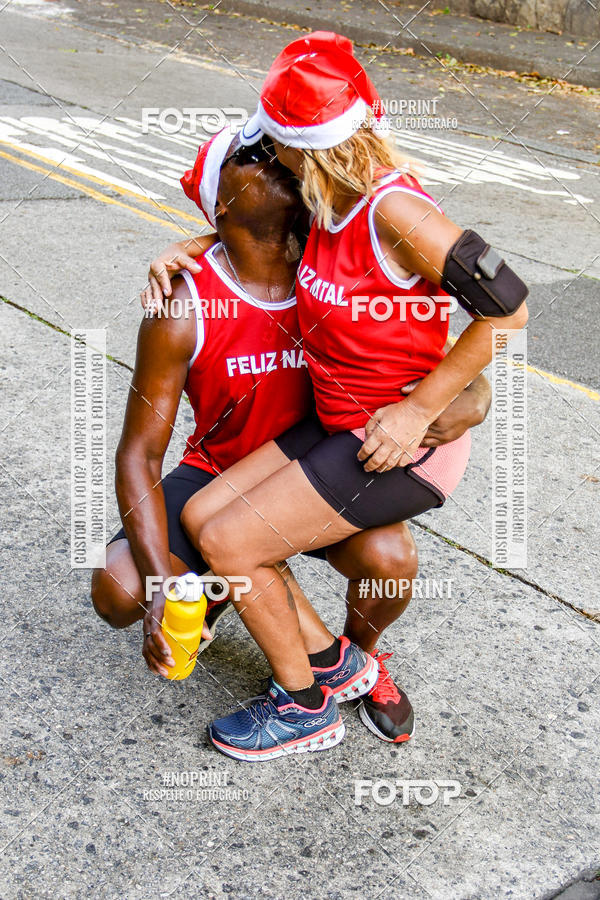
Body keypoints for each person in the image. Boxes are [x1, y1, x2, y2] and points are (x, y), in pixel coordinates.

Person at [168, 31, 528, 761]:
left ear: (304, 146)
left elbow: (510, 310)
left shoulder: (396, 212)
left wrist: (421, 409)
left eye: (273, 140)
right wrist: (194, 245)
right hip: (340, 425)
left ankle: (303, 708)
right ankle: (335, 664)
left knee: (234, 542)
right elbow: (250, 229)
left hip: (398, 444)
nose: (267, 152)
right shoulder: (324, 201)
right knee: (204, 515)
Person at [92, 129, 490, 750]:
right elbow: (137, 453)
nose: (274, 156)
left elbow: (434, 344)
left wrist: (471, 396)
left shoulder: (328, 260)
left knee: (390, 563)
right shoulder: (183, 304)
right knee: (120, 588)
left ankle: (353, 662)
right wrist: (162, 584)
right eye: (250, 155)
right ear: (219, 201)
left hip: (326, 461)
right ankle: (258, 600)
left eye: (276, 148)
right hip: (224, 468)